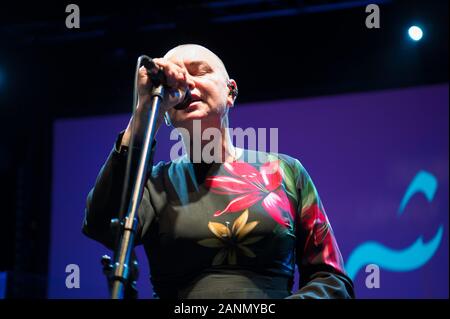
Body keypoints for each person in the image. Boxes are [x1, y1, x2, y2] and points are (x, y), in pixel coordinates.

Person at [83, 44, 355, 299]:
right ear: (165, 113)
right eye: (173, 79)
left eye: (199, 71)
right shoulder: (154, 184)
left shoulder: (286, 171)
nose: (185, 83)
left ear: (231, 92)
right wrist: (144, 110)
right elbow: (101, 224)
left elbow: (331, 279)